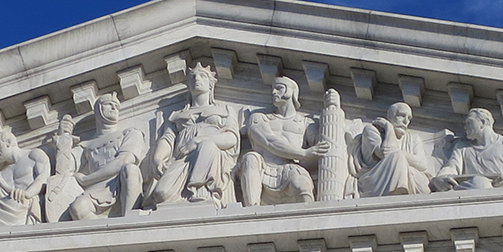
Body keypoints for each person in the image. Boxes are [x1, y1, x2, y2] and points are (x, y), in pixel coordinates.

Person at [148, 64, 239, 207]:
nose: (197, 79)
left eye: (202, 76)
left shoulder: (225, 110)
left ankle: (200, 190)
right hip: (182, 157)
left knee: (207, 145)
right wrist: (157, 158)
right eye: (192, 77)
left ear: (211, 84)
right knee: (161, 194)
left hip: (211, 157)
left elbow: (231, 138)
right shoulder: (176, 115)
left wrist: (198, 141)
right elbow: (167, 139)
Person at [239, 76, 321, 206]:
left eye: (279, 88)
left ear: (292, 91)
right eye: (273, 89)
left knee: (302, 186)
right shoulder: (259, 118)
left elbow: (322, 148)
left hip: (292, 170)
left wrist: (333, 110)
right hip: (264, 169)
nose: (273, 93)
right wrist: (304, 154)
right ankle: (252, 210)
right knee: (250, 157)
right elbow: (269, 141)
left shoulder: (306, 124)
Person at [68, 92, 149, 219]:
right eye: (108, 104)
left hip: (120, 183)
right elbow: (65, 169)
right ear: (98, 109)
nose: (113, 108)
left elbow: (123, 161)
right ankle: (105, 231)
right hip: (95, 190)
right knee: (78, 208)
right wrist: (64, 139)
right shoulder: (85, 146)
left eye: (116, 106)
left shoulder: (130, 133)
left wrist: (86, 179)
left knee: (130, 169)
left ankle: (130, 221)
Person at [356, 100, 443, 196]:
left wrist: (402, 155)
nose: (406, 122)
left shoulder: (413, 138)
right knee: (397, 157)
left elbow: (422, 164)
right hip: (376, 180)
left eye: (409, 118)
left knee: (420, 180)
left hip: (413, 180)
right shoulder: (372, 130)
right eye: (401, 116)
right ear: (390, 117)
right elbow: (386, 153)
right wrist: (389, 128)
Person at [431, 108, 503, 191]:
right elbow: (451, 168)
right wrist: (439, 179)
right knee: (478, 182)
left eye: (469, 122)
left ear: (483, 122)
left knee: (480, 182)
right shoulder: (462, 147)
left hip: (497, 190)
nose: (465, 127)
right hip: (469, 190)